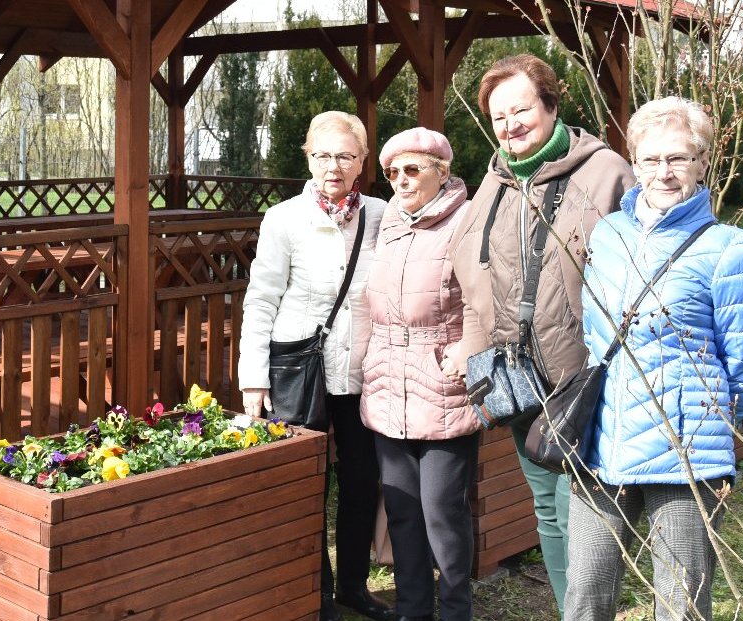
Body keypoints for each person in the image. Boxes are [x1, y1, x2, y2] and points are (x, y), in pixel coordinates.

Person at [565, 97, 743, 621]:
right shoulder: (608, 235)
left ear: (702, 162)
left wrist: (711, 423)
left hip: (687, 453)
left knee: (680, 604)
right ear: (634, 162)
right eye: (651, 159)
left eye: (678, 158)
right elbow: (594, 331)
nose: (664, 172)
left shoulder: (730, 249)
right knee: (585, 596)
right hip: (603, 440)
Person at [447, 53, 634, 614]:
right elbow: (471, 265)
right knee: (547, 509)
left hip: (585, 379)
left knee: (585, 512)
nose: (510, 125)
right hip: (518, 380)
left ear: (552, 105)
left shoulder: (606, 173)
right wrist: (476, 349)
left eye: (521, 109)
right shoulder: (497, 181)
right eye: (499, 116)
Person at [241, 111, 392, 621]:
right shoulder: (283, 218)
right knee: (307, 482)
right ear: (307, 156)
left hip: (363, 368)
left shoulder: (382, 214)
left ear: (362, 162)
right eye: (324, 154)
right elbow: (261, 299)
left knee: (361, 479)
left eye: (346, 155)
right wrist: (252, 378)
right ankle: (315, 591)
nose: (334, 165)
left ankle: (352, 585)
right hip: (298, 367)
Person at [360, 128, 476, 621]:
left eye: (413, 170)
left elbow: (484, 297)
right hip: (387, 384)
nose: (401, 181)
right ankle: (413, 609)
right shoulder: (386, 223)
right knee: (403, 509)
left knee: (442, 512)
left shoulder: (465, 221)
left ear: (442, 173)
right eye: (393, 173)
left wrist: (469, 348)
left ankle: (454, 611)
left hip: (443, 385)